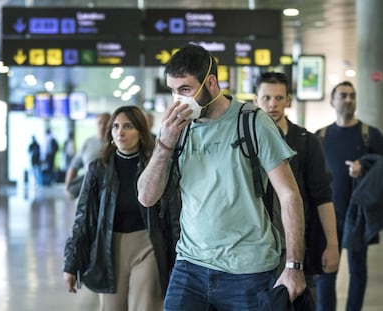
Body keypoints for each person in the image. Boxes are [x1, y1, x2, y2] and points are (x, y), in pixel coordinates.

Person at [137, 44, 306, 310]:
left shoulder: (252, 121)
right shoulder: (176, 131)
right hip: (190, 266)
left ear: (211, 83)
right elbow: (147, 197)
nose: (178, 100)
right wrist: (165, 144)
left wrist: (294, 266)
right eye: (173, 91)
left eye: (185, 90)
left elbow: (289, 195)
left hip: (248, 271)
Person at [63, 105, 169, 311]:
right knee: (112, 307)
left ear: (140, 131)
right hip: (110, 246)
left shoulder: (155, 165)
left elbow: (172, 212)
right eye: (116, 127)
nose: (120, 132)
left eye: (128, 126)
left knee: (145, 305)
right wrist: (70, 264)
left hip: (147, 244)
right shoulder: (98, 169)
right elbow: (83, 217)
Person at [255, 72, 340, 302]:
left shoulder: (306, 141)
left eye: (279, 98)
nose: (272, 104)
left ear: (288, 101)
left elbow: (322, 196)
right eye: (266, 98)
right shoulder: (248, 143)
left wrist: (332, 244)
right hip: (257, 249)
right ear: (256, 100)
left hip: (298, 247)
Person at [315, 81, 383, 311]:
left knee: (357, 271)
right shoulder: (321, 137)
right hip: (327, 217)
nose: (348, 99)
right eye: (343, 95)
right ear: (332, 101)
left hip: (357, 216)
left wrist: (363, 167)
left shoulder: (370, 135)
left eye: (352, 95)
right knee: (326, 272)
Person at [64, 113, 110, 198]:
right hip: (88, 189)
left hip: (109, 189)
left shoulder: (116, 144)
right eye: (100, 123)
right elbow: (74, 165)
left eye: (106, 123)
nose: (102, 126)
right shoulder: (88, 142)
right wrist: (67, 187)